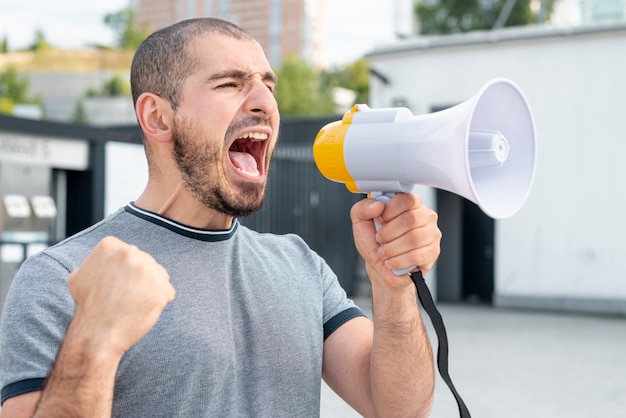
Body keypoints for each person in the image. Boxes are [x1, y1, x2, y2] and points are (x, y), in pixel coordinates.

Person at [0, 18, 441, 418]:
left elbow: (399, 409)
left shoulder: (300, 266)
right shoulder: (63, 278)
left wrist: (392, 287)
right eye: (230, 84)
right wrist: (94, 340)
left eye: (269, 86)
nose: (264, 102)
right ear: (157, 117)